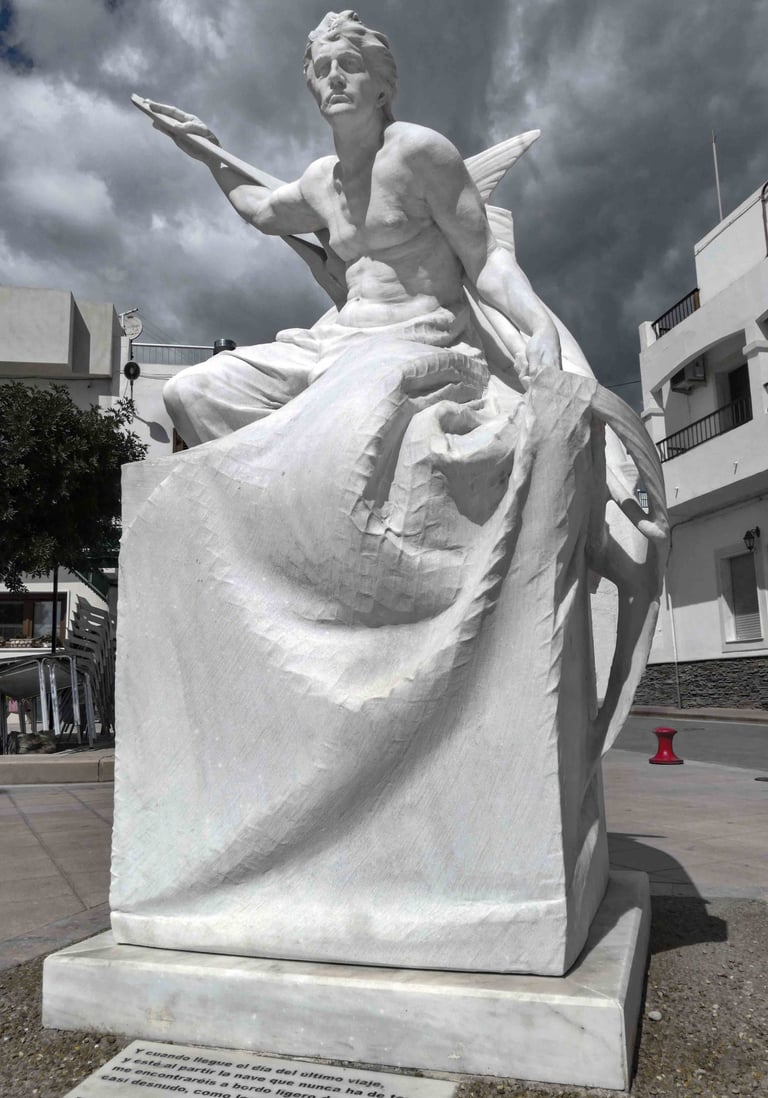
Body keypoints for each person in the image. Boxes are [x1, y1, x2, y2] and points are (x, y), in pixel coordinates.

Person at [145, 10, 562, 447]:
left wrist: (539, 326)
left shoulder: (419, 153)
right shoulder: (321, 181)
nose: (335, 78)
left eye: (350, 65)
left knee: (355, 403)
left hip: (422, 342)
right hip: (336, 342)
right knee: (190, 392)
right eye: (323, 70)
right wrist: (209, 152)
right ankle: (284, 497)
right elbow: (260, 210)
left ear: (382, 86)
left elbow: (486, 257)